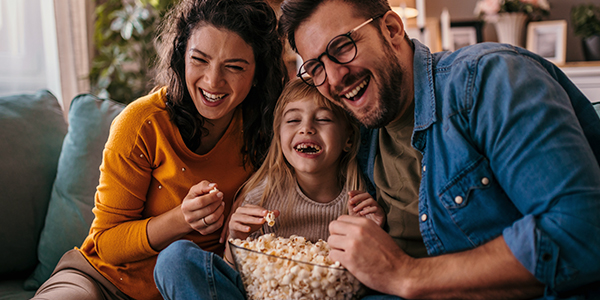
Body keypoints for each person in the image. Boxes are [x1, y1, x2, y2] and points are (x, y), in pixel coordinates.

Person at [278, 0, 600, 299]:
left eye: (342, 46)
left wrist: (406, 274)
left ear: (391, 29)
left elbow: (580, 230)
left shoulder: (488, 79)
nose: (334, 78)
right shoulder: (359, 131)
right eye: (316, 68)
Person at [32, 0, 287, 299]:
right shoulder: (142, 123)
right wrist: (182, 218)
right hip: (101, 281)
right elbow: (106, 244)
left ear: (258, 73)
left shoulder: (267, 129)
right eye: (199, 60)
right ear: (181, 58)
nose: (212, 81)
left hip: (192, 286)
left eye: (234, 66)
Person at [153, 78, 385, 300]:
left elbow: (370, 279)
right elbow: (235, 277)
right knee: (175, 259)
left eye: (323, 119)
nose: (307, 129)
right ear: (279, 134)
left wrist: (373, 235)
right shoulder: (261, 197)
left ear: (349, 138)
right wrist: (237, 241)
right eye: (293, 120)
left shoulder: (360, 200)